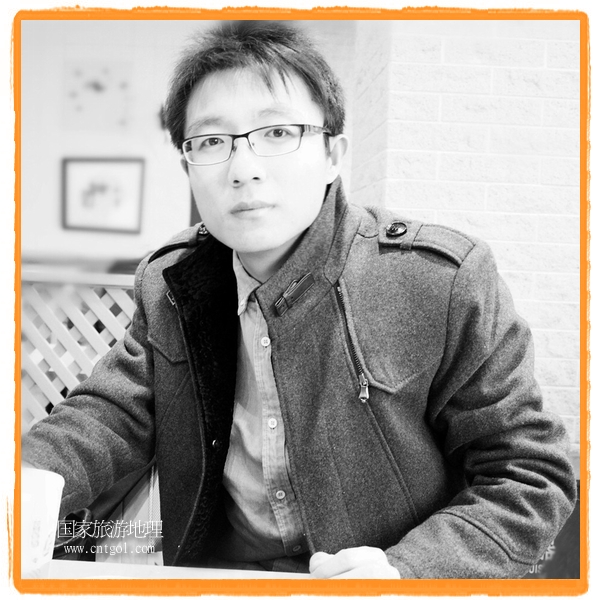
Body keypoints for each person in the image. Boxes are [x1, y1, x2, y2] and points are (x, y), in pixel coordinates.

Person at [22, 20, 577, 579]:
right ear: (187, 164)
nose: (244, 170)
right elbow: (112, 413)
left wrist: (407, 571)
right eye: (211, 142)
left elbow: (529, 475)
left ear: (334, 153)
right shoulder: (171, 283)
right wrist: (28, 481)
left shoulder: (439, 281)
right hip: (216, 578)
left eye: (278, 132)